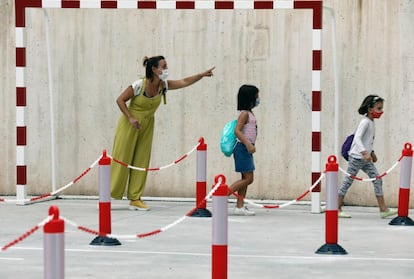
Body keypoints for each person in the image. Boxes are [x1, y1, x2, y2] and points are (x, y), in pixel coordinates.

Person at [111, 55, 215, 211]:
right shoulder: (139, 84)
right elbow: (120, 100)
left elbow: (184, 82)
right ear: (153, 69)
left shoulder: (163, 85)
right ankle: (109, 194)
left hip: (147, 124)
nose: (166, 70)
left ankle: (135, 198)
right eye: (163, 66)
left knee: (141, 160)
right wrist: (130, 117)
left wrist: (201, 75)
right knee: (122, 158)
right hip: (129, 124)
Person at [338, 95, 397, 218]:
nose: (381, 111)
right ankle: (336, 208)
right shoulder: (365, 122)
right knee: (347, 182)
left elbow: (367, 140)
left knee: (377, 179)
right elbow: (357, 138)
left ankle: (383, 209)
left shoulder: (370, 122)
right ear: (370, 110)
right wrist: (365, 152)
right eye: (379, 108)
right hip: (357, 157)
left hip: (365, 158)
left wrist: (372, 152)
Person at [228, 85, 260, 216]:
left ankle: (240, 206)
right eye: (256, 96)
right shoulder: (244, 114)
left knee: (245, 178)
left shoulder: (250, 113)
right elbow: (237, 131)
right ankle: (222, 195)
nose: (258, 99)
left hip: (246, 148)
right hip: (242, 148)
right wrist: (248, 144)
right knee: (249, 178)